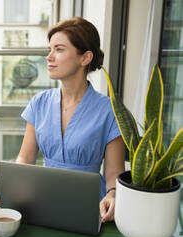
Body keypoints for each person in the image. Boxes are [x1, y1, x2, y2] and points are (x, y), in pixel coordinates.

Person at [16, 17, 125, 223]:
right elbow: (26, 158)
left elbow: (114, 172)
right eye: (49, 49)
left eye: (59, 49)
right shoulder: (39, 103)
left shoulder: (110, 110)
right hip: (43, 202)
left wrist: (112, 194)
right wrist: (13, 189)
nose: (49, 57)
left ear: (85, 58)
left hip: (92, 208)